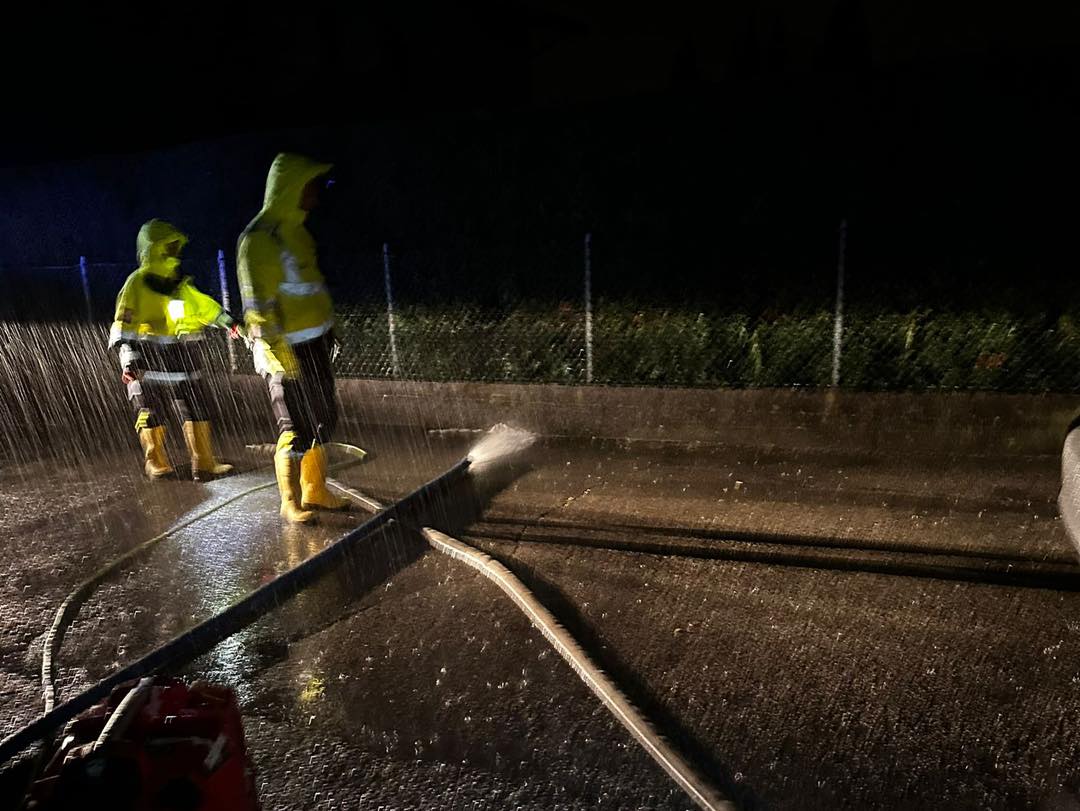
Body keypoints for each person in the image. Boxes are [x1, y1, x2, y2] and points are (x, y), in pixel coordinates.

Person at [237, 153, 349, 524]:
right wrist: (276, 352)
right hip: (283, 349)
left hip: (314, 344)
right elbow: (257, 305)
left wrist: (329, 326)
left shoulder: (297, 232)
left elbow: (312, 286)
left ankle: (314, 489)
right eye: (311, 185)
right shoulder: (258, 239)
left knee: (322, 419)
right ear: (292, 189)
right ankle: (290, 502)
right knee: (295, 426)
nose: (317, 193)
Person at [108, 219, 239, 480]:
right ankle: (155, 461)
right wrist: (128, 362)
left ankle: (203, 462)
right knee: (150, 412)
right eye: (169, 247)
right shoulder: (136, 284)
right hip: (148, 363)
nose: (175, 252)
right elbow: (124, 327)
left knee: (198, 407)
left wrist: (228, 322)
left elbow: (204, 307)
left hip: (183, 360)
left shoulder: (180, 284)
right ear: (153, 250)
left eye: (176, 246)